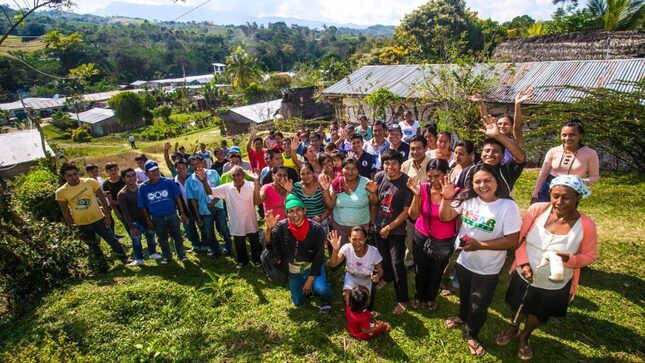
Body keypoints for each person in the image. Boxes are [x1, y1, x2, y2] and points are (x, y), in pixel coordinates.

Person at [495, 175, 597, 360]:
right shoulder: (537, 210)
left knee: (539, 311)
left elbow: (590, 256)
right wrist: (524, 263)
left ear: (578, 197)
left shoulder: (586, 225)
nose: (559, 202)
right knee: (519, 304)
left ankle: (525, 336)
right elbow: (519, 239)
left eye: (566, 197)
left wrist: (571, 259)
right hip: (524, 272)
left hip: (554, 281)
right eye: (555, 195)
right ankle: (513, 327)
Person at [439, 163, 522, 357]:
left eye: (487, 180)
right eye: (478, 181)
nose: (483, 185)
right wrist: (446, 197)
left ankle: (472, 334)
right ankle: (461, 315)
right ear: (471, 183)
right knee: (465, 295)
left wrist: (480, 246)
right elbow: (445, 217)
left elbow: (512, 240)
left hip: (488, 267)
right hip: (464, 261)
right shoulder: (467, 199)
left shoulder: (507, 206)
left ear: (497, 181)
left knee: (478, 305)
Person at [265, 194, 332, 313]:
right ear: (286, 213)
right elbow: (270, 246)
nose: (295, 214)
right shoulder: (281, 227)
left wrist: (310, 280)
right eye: (291, 211)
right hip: (293, 270)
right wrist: (269, 229)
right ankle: (307, 290)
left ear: (304, 210)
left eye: (298, 210)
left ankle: (326, 295)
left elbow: (319, 256)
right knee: (298, 302)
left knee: (321, 289)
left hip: (312, 267)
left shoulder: (316, 229)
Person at [56, 162, 129, 271]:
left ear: (78, 173)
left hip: (98, 219)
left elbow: (103, 200)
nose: (73, 177)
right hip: (81, 224)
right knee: (93, 245)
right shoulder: (61, 192)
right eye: (69, 175)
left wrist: (107, 216)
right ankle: (102, 264)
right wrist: (72, 226)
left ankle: (124, 258)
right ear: (64, 176)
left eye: (75, 174)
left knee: (111, 239)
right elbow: (65, 212)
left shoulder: (90, 182)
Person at [407, 159, 457, 311]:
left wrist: (446, 197)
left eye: (437, 176)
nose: (433, 180)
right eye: (429, 176)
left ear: (446, 174)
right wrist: (416, 196)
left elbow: (446, 217)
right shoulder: (422, 188)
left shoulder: (456, 192)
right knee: (420, 269)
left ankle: (430, 297)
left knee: (436, 271)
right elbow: (413, 216)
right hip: (421, 235)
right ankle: (419, 295)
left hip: (443, 240)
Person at [369, 149, 413, 315]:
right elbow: (375, 202)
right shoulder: (380, 177)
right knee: (383, 257)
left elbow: (406, 211)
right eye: (387, 163)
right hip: (380, 226)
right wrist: (373, 193)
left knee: (397, 263)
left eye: (394, 163)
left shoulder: (406, 182)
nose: (390, 166)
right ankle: (387, 277)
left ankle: (402, 299)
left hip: (396, 230)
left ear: (400, 164)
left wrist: (390, 227)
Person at [456, 115, 526, 197]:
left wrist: (498, 136)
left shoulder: (506, 172)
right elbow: (458, 196)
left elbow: (521, 157)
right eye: (487, 151)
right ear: (481, 154)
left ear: (503, 156)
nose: (490, 154)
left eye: (496, 151)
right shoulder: (468, 172)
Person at [531, 120, 599, 203]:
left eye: (572, 135)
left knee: (563, 215)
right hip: (548, 188)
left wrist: (578, 181)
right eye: (564, 135)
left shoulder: (590, 154)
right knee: (541, 214)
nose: (567, 138)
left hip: (571, 192)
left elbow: (595, 177)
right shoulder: (553, 151)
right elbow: (543, 173)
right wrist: (535, 193)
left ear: (580, 136)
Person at [138, 160, 190, 264]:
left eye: (157, 170)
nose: (155, 172)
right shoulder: (143, 187)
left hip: (171, 214)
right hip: (157, 217)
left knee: (177, 236)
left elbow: (177, 197)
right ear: (146, 173)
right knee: (162, 238)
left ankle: (181, 254)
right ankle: (167, 256)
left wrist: (182, 212)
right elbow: (143, 206)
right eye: (152, 171)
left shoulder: (167, 182)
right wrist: (148, 220)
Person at [210, 166, 262, 268]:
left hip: (250, 220)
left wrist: (256, 181)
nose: (236, 177)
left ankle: (257, 260)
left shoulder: (251, 185)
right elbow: (210, 192)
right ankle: (243, 261)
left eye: (239, 174)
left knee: (254, 241)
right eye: (234, 175)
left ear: (243, 175)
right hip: (236, 221)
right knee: (239, 242)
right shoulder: (226, 187)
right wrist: (203, 181)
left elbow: (257, 201)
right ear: (230, 176)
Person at [467, 87, 533, 165]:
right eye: (499, 124)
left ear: (511, 127)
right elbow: (486, 120)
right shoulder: (493, 139)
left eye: (506, 124)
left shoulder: (515, 141)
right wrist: (481, 103)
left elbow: (517, 126)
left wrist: (517, 104)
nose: (502, 126)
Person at [319, 158, 374, 245]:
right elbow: (330, 206)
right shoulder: (336, 182)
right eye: (347, 168)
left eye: (353, 169)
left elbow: (374, 203)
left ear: (358, 170)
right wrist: (326, 190)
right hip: (340, 227)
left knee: (360, 252)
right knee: (342, 254)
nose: (350, 172)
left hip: (361, 227)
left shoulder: (365, 182)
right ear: (342, 169)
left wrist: (373, 192)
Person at [186, 156, 231, 257]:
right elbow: (192, 200)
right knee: (209, 232)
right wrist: (197, 216)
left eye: (198, 164)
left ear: (202, 163)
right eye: (193, 165)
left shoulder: (213, 173)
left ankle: (228, 248)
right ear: (190, 166)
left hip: (218, 207)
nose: (196, 166)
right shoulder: (189, 181)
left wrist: (213, 202)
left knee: (224, 229)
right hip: (204, 210)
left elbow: (221, 189)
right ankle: (216, 250)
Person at [118, 167, 161, 266]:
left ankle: (152, 253)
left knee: (151, 235)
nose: (131, 178)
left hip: (146, 218)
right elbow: (125, 212)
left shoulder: (142, 188)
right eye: (128, 176)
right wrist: (131, 227)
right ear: (124, 179)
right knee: (136, 239)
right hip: (134, 221)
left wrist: (151, 218)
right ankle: (138, 258)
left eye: (133, 175)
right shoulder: (122, 194)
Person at [329, 227, 383, 303]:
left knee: (364, 303)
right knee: (347, 298)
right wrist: (335, 250)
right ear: (349, 238)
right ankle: (351, 313)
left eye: (360, 239)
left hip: (367, 281)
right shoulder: (346, 248)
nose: (357, 243)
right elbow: (333, 265)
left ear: (366, 238)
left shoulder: (374, 251)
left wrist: (378, 275)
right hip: (351, 278)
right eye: (354, 239)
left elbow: (380, 270)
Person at [401, 135, 432, 267]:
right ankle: (410, 261)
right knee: (409, 238)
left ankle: (425, 261)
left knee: (426, 239)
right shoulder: (406, 165)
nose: (415, 152)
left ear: (425, 148)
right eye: (412, 149)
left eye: (418, 148)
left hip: (428, 210)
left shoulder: (432, 165)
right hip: (411, 208)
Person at [175, 158, 202, 253]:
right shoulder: (173, 183)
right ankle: (196, 244)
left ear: (187, 168)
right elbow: (176, 198)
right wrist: (181, 213)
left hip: (197, 208)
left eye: (184, 168)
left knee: (202, 227)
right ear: (175, 169)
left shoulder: (193, 178)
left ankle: (205, 244)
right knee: (189, 230)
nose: (181, 170)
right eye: (179, 168)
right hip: (184, 211)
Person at [102, 162, 126, 235]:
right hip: (120, 209)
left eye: (115, 169)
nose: (113, 172)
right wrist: (116, 212)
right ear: (107, 172)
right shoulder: (106, 184)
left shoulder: (124, 179)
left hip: (132, 205)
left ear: (118, 169)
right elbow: (111, 201)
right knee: (128, 226)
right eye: (110, 170)